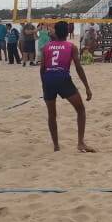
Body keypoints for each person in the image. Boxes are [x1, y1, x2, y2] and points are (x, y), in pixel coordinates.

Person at [40, 21, 96, 153]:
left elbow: (42, 69)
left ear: (56, 33)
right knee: (80, 110)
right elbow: (78, 67)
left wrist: (44, 85)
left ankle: (56, 146)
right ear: (67, 33)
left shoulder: (46, 47)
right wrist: (87, 87)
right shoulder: (71, 46)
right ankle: (80, 143)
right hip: (63, 79)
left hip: (48, 79)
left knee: (51, 114)